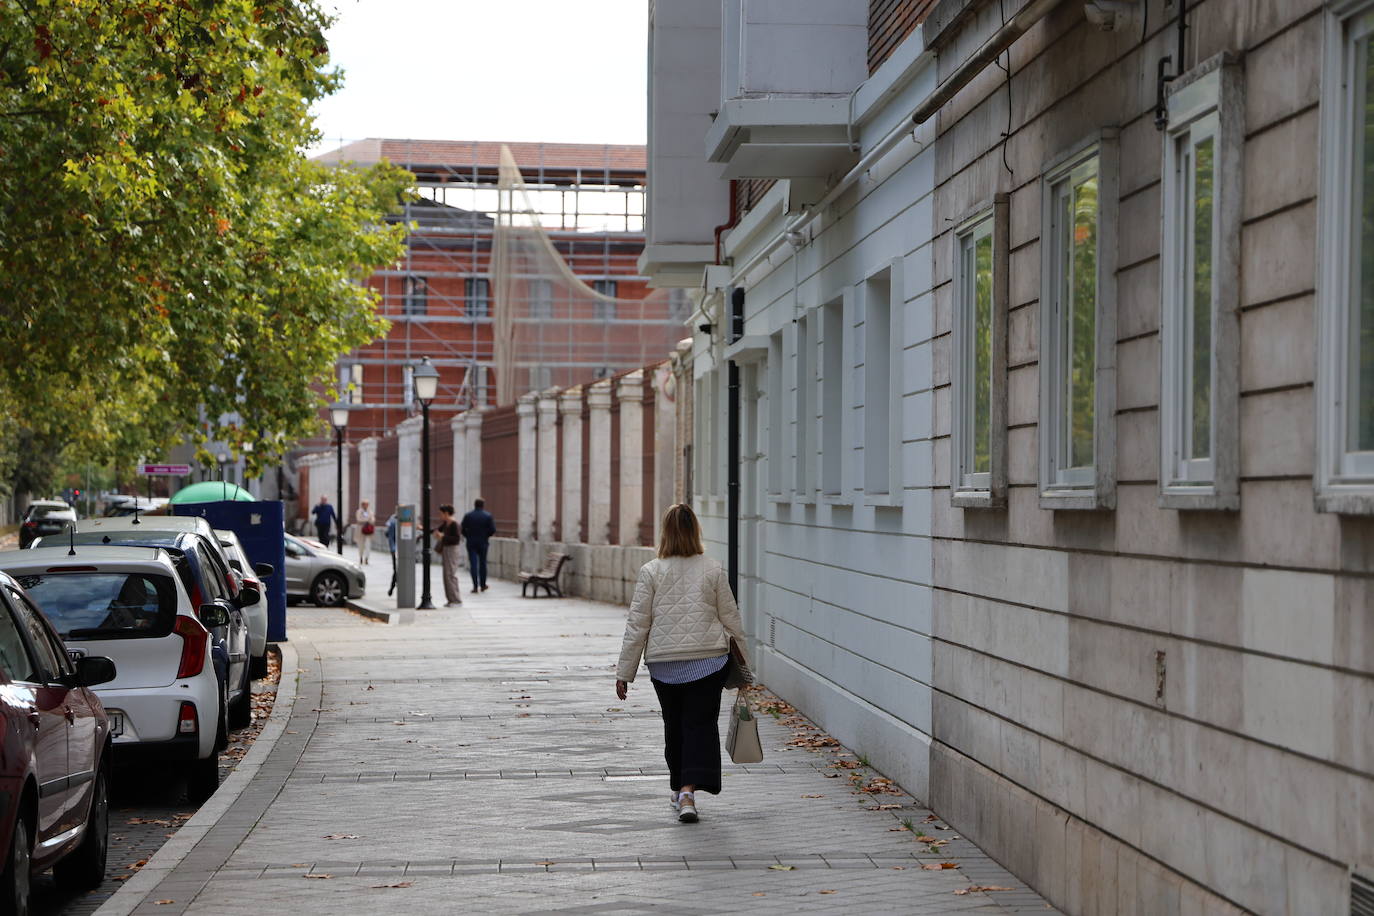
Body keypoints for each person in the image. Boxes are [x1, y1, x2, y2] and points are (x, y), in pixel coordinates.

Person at [615, 503, 749, 824]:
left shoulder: (651, 571)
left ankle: (679, 788)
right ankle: (688, 792)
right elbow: (731, 621)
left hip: (665, 666)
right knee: (700, 726)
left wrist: (625, 673)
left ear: (665, 533)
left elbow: (638, 625)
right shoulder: (713, 568)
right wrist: (744, 671)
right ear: (695, 531)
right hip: (708, 662)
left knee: (674, 726)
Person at [460, 498, 496, 593]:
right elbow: (492, 530)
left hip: (471, 542)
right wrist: (485, 536)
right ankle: (483, 585)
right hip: (483, 542)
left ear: (474, 505)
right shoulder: (488, 516)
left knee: (473, 564)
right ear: (483, 505)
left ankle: (475, 586)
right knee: (483, 563)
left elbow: (462, 529)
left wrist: (468, 536)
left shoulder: (468, 516)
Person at [434, 504, 463, 607]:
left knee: (450, 574)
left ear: (446, 513)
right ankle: (450, 599)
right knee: (446, 575)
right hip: (446, 549)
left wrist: (443, 537)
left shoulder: (454, 524)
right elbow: (436, 530)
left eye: (441, 513)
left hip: (452, 550)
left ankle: (456, 600)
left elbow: (456, 539)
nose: (439, 516)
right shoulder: (446, 524)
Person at [355, 500, 375, 566]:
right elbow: (358, 519)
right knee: (361, 545)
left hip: (368, 531)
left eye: (367, 504)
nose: (366, 505)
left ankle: (366, 558)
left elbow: (373, 520)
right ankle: (361, 557)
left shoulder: (370, 512)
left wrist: (367, 520)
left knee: (368, 545)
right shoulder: (359, 511)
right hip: (361, 531)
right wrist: (367, 520)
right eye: (364, 504)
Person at [385, 513, 398, 597]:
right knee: (396, 570)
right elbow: (390, 537)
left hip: (406, 551)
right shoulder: (393, 522)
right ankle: (392, 587)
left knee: (397, 571)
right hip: (396, 551)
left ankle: (393, 587)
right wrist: (393, 550)